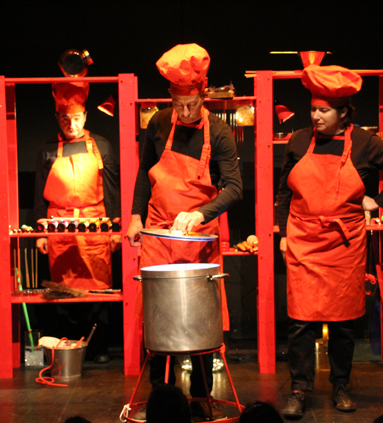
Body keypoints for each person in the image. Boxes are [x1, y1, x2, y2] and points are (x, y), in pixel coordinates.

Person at [277, 64, 383, 419]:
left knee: (342, 322)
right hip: (303, 240)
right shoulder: (299, 140)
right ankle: (299, 389)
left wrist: (379, 201)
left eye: (324, 110)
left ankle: (341, 385)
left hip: (344, 244)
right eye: (314, 109)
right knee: (300, 322)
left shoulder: (365, 143)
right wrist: (283, 234)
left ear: (343, 113)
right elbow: (284, 192)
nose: (316, 116)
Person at [127, 43, 243, 422]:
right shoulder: (159, 124)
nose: (185, 112)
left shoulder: (219, 132)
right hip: (159, 236)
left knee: (200, 319)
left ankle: (200, 396)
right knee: (159, 317)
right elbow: (144, 173)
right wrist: (135, 216)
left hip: (198, 239)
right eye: (178, 105)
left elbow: (234, 188)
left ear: (203, 95)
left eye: (191, 104)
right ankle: (162, 397)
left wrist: (200, 213)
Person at [34, 81, 121, 363]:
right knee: (63, 290)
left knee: (98, 287)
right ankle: (66, 346)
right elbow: (39, 193)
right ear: (57, 118)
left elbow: (112, 190)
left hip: (95, 223)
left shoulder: (101, 146)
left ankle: (98, 347)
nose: (71, 124)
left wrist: (115, 229)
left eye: (76, 118)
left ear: (85, 116)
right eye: (64, 118)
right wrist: (40, 232)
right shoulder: (47, 149)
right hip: (58, 224)